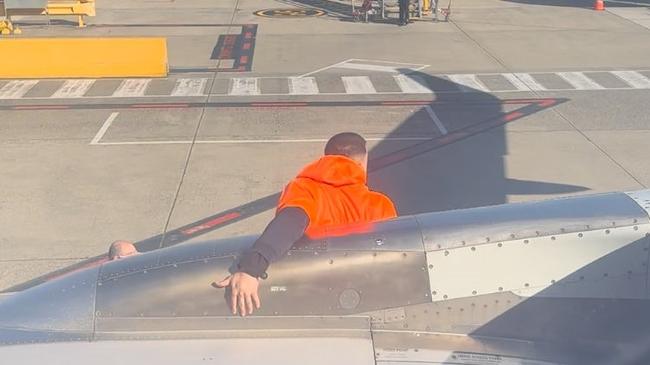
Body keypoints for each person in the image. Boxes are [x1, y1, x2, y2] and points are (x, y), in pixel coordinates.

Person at [215, 132, 397, 316]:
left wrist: (251, 269)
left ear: (326, 158)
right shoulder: (381, 205)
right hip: (362, 301)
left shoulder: (303, 190)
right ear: (362, 163)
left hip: (311, 297)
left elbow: (290, 222)